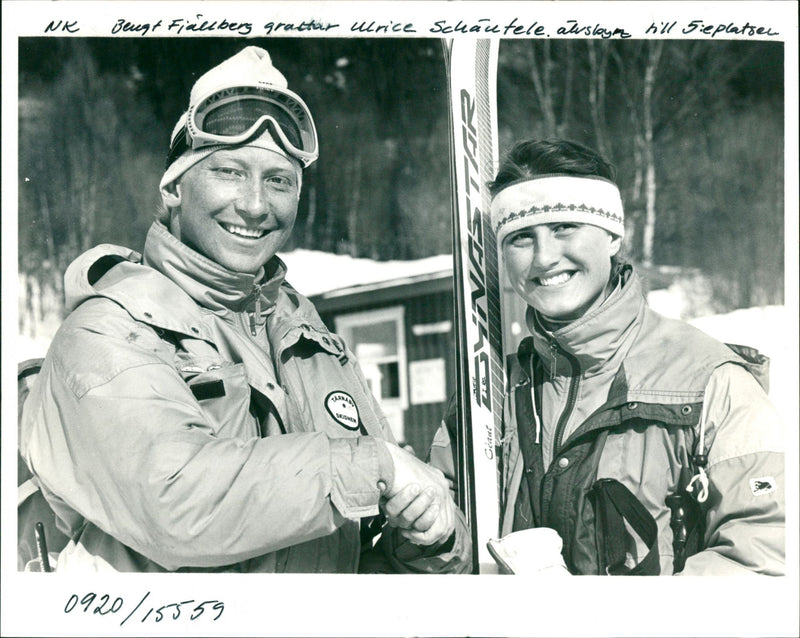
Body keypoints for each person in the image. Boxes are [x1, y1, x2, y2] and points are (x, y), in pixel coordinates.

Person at [18, 46, 470, 573]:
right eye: (231, 172)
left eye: (278, 181)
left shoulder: (311, 342)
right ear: (172, 187)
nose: (256, 205)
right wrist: (375, 465)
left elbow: (358, 556)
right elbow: (175, 503)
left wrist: (424, 542)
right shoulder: (106, 331)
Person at [487, 138, 784, 575]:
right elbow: (436, 560)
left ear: (611, 236)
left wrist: (617, 620)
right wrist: (426, 529)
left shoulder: (709, 380)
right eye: (521, 238)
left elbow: (766, 552)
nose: (544, 257)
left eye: (564, 227)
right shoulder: (491, 392)